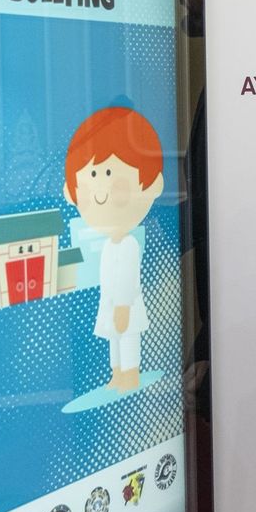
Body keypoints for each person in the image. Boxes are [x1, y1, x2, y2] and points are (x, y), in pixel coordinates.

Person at [64, 107, 166, 392]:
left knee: (128, 338)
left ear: (152, 185)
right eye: (92, 176)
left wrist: (122, 304)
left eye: (109, 173)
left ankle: (130, 373)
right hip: (110, 304)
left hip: (126, 304)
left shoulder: (131, 244)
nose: (101, 190)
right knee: (114, 341)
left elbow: (127, 278)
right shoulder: (108, 244)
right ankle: (117, 374)